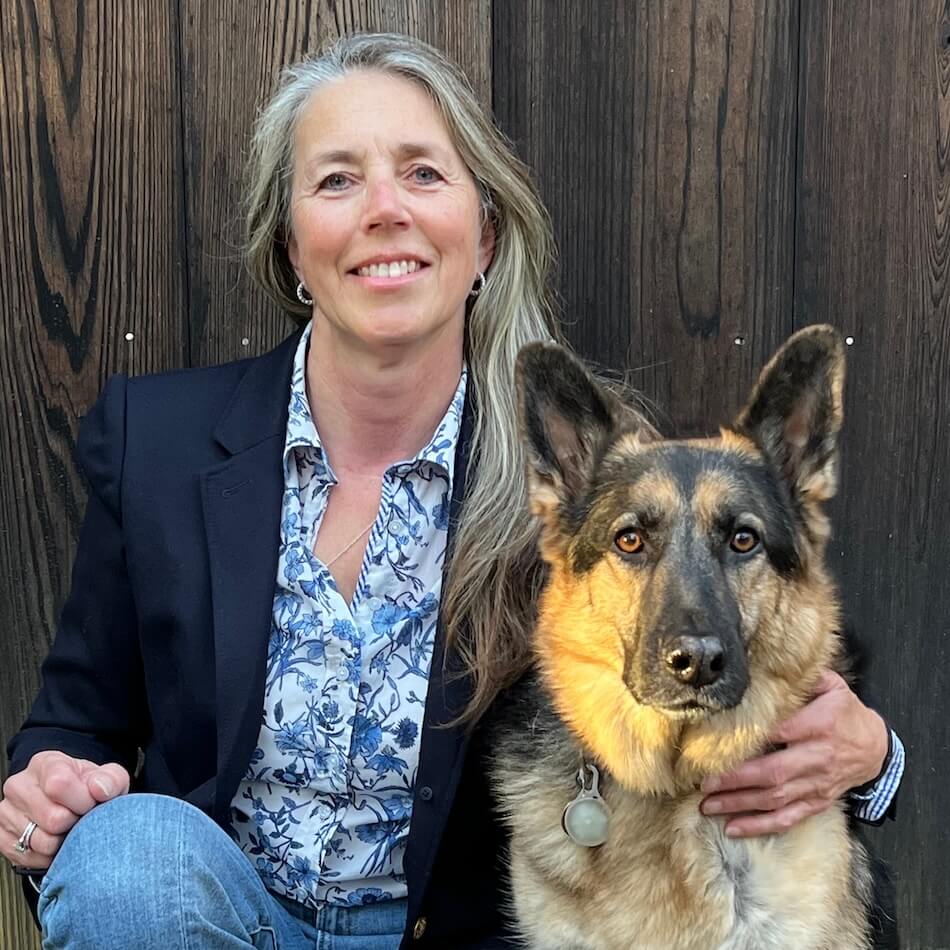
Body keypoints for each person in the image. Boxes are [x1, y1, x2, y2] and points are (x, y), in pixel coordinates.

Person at [2, 32, 903, 950]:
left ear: (486, 236)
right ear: (291, 245)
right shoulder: (158, 442)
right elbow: (72, 722)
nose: (385, 209)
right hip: (215, 916)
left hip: (473, 934)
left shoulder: (589, 470)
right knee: (126, 859)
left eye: (424, 175)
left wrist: (872, 761)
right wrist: (48, 787)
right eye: (337, 180)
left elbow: (743, 670)